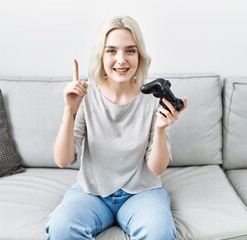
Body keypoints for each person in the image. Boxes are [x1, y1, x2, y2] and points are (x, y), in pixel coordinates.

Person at [45, 15, 187, 239]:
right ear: (101, 55)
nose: (121, 60)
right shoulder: (85, 95)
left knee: (159, 233)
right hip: (91, 193)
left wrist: (160, 129)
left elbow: (157, 169)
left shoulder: (152, 98)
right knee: (61, 228)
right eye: (111, 51)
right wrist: (69, 111)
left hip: (142, 193)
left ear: (139, 55)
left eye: (130, 51)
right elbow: (62, 160)